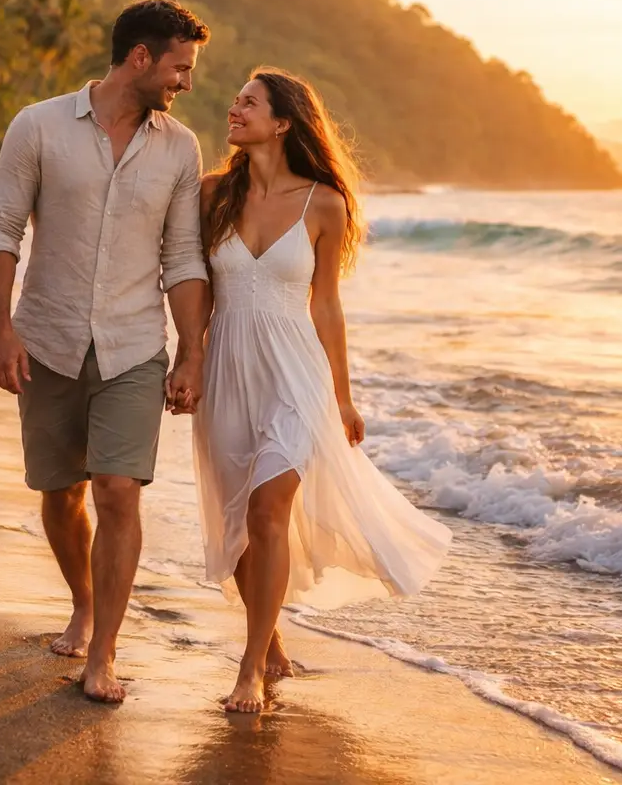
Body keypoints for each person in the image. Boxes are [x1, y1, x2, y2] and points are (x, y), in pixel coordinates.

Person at [192, 67, 452, 713]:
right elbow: (187, 283)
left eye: (249, 102)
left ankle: (249, 669)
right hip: (227, 367)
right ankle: (271, 640)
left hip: (295, 375)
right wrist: (184, 358)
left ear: (283, 122)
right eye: (237, 100)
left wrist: (342, 394)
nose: (235, 107)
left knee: (267, 511)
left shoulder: (323, 205)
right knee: (239, 525)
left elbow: (327, 306)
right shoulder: (210, 195)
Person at [0, 0, 212, 703]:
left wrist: (191, 353)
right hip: (46, 339)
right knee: (60, 491)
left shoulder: (180, 147)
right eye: (179, 67)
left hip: (135, 344)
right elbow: (0, 230)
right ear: (139, 58)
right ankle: (82, 600)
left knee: (117, 490)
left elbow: (184, 255)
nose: (186, 83)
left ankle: (104, 653)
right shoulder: (40, 125)